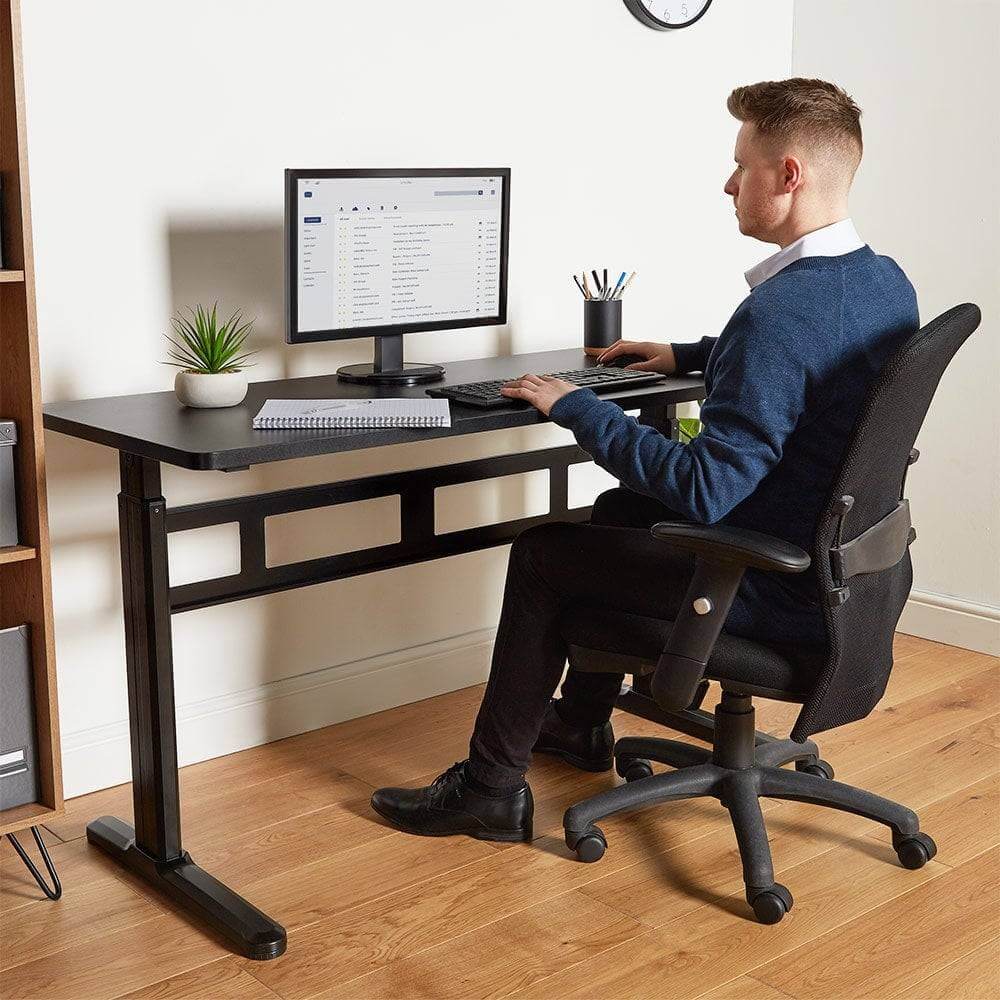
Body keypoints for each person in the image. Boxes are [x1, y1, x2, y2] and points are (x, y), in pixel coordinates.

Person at [370, 78, 919, 842]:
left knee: (541, 555)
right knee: (620, 514)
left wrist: (575, 406)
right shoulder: (881, 282)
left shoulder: (780, 315)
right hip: (840, 577)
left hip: (774, 587)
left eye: (741, 165)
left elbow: (705, 488)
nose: (728, 184)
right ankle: (578, 726)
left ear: (787, 175)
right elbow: (811, 372)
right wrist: (688, 355)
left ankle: (490, 791)